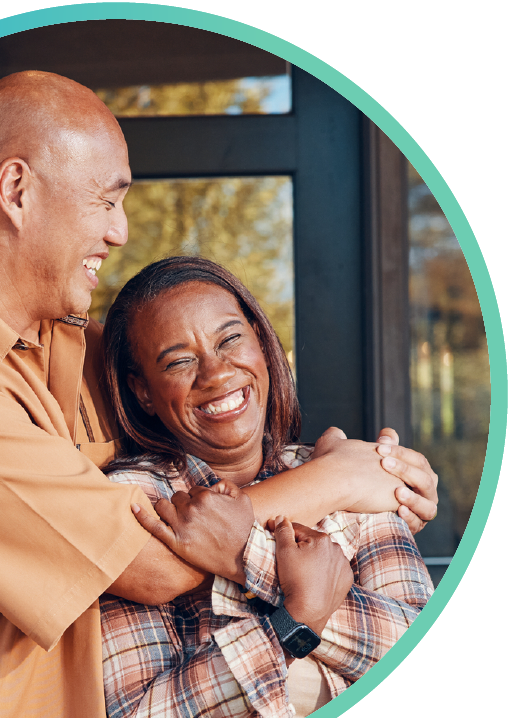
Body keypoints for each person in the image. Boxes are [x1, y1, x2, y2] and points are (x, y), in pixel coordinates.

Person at [0, 71, 438, 718]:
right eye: (106, 199)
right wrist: (337, 483)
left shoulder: (80, 347)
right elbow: (154, 563)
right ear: (16, 191)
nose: (120, 231)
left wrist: (393, 478)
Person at [99, 256, 434, 717]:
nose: (216, 374)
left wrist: (246, 556)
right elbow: (138, 711)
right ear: (142, 392)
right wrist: (295, 622)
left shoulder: (347, 470)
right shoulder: (134, 497)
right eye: (179, 361)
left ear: (260, 338)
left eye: (231, 339)